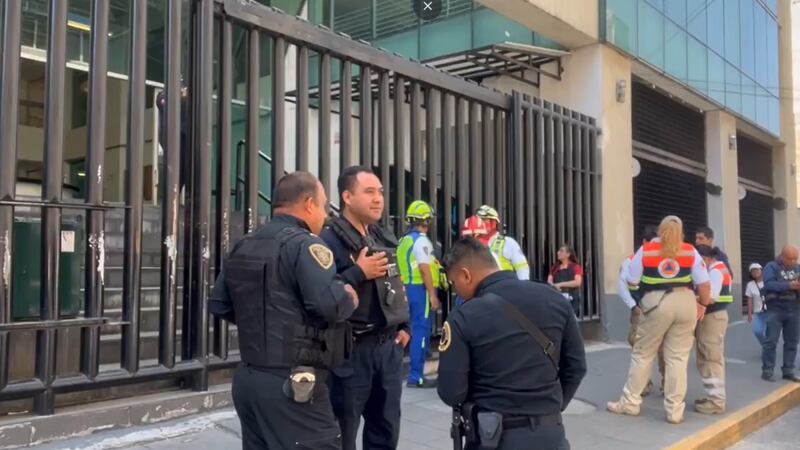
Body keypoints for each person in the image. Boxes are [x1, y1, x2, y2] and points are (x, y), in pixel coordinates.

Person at [209, 171, 358, 449]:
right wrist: (348, 296)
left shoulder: (245, 243)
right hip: (294, 384)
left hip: (250, 379)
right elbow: (330, 305)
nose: (326, 215)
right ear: (310, 204)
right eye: (324, 205)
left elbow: (220, 304)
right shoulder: (306, 245)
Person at [437, 238, 586, 450]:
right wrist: (552, 405)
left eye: (454, 283)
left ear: (466, 275)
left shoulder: (463, 316)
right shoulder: (554, 298)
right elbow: (577, 366)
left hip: (493, 438)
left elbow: (452, 392)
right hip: (550, 435)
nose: (456, 291)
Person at [321, 166, 410, 450]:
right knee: (342, 433)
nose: (378, 199)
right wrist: (358, 272)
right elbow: (320, 295)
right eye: (369, 192)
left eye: (381, 192)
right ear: (347, 196)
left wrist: (404, 326)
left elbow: (396, 286)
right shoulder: (328, 242)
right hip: (350, 351)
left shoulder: (382, 237)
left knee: (385, 431)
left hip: (387, 350)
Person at [607, 215, 711, 425]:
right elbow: (704, 283)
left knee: (643, 353)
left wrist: (640, 298)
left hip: (656, 302)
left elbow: (632, 279)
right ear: (681, 232)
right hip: (686, 301)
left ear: (660, 232)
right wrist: (703, 305)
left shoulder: (646, 251)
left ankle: (630, 402)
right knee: (678, 358)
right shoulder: (690, 250)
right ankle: (674, 411)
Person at [397, 200, 442, 388]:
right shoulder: (422, 241)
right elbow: (424, 269)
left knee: (407, 329)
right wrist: (432, 295)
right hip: (419, 290)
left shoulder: (404, 240)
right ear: (425, 221)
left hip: (405, 288)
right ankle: (416, 377)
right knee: (420, 332)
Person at [618, 225, 663, 396]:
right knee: (639, 344)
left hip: (662, 309)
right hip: (641, 309)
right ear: (644, 242)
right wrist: (633, 306)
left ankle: (666, 384)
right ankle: (643, 383)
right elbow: (622, 286)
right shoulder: (631, 260)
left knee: (662, 348)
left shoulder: (668, 259)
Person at [694, 245, 732, 415]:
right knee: (707, 357)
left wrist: (689, 299)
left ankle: (716, 402)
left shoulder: (716, 271)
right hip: (714, 317)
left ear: (705, 258)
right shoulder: (719, 269)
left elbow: (711, 297)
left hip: (713, 317)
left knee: (711, 358)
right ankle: (712, 397)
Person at [760, 245, 800, 382]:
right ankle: (768, 370)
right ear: (782, 256)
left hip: (794, 309)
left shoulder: (797, 268)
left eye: (796, 258)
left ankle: (788, 370)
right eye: (790, 258)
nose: (793, 261)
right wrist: (788, 285)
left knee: (792, 342)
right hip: (775, 309)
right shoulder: (771, 267)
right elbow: (768, 285)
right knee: (771, 341)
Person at [476, 205, 530, 280]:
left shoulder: (508, 242)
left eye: (483, 221)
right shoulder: (474, 244)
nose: (479, 225)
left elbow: (522, 268)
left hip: (505, 288)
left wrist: (522, 288)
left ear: (493, 222)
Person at [548, 245, 584, 316]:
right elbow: (549, 281)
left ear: (568, 254)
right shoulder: (554, 268)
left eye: (561, 251)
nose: (558, 252)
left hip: (572, 301)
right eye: (558, 251)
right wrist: (553, 286)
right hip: (557, 300)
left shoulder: (576, 267)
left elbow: (577, 282)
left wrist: (559, 284)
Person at [745, 263, 767, 345]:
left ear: (761, 270)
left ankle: (768, 349)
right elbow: (750, 300)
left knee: (769, 333)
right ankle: (766, 346)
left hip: (770, 311)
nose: (755, 272)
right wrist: (749, 313)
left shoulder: (768, 281)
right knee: (757, 331)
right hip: (758, 312)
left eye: (757, 270)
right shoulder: (750, 285)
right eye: (752, 271)